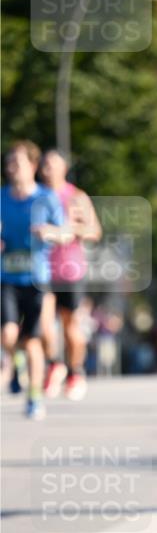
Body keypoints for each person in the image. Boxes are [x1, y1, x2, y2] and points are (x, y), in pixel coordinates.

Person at [1, 141, 67, 419]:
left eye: (18, 162)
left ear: (32, 166)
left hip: (37, 279)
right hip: (7, 277)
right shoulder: (2, 197)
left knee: (33, 343)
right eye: (9, 162)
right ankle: (16, 363)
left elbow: (65, 234)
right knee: (8, 335)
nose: (12, 167)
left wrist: (50, 233)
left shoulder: (47, 198)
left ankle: (35, 397)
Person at [39, 149, 102, 401]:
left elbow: (94, 231)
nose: (47, 169)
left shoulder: (76, 196)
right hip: (41, 270)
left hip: (70, 270)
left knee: (70, 328)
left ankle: (76, 372)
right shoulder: (36, 197)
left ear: (64, 168)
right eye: (44, 165)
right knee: (43, 323)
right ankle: (55, 363)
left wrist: (69, 229)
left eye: (53, 165)